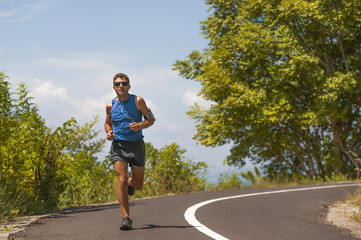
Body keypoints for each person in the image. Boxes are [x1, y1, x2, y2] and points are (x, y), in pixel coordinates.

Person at [104, 73, 155, 230]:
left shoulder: (138, 101)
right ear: (114, 87)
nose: (121, 86)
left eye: (124, 83)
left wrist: (140, 125)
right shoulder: (110, 105)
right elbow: (107, 123)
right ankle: (126, 218)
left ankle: (131, 182)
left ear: (129, 86)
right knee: (120, 179)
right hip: (119, 146)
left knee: (138, 185)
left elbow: (151, 120)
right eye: (118, 84)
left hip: (136, 146)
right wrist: (109, 132)